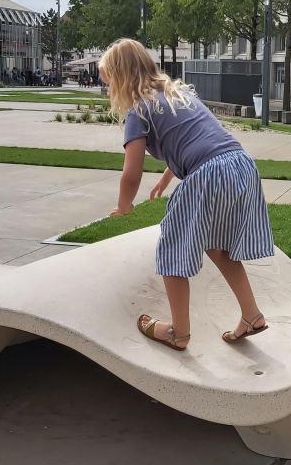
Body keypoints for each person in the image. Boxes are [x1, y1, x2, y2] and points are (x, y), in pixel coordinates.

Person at [103, 38, 274, 351]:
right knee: (218, 246)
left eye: (108, 81)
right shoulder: (178, 94)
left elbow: (131, 172)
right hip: (240, 164)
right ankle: (252, 315)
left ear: (120, 78)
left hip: (209, 173)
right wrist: (166, 179)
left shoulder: (138, 111)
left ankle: (178, 333)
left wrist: (124, 205)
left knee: (173, 247)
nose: (108, 89)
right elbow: (195, 136)